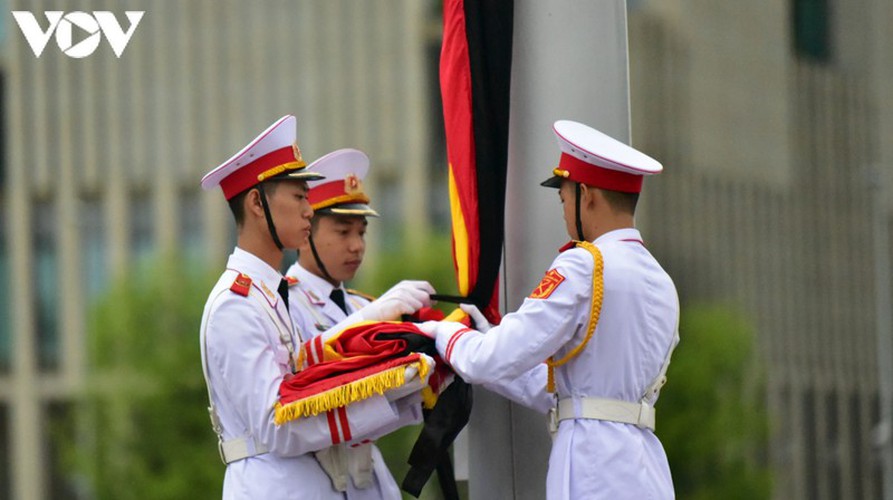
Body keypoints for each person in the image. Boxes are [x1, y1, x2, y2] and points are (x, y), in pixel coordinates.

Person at [419, 120, 681, 499]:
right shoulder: (662, 282)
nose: (563, 213)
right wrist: (488, 337)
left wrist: (443, 333)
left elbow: (485, 362)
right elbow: (561, 389)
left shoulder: (583, 266)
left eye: (564, 199)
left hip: (593, 468)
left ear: (586, 195)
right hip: (646, 469)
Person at [198, 116, 434, 499]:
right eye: (299, 196)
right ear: (257, 202)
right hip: (271, 485)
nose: (309, 210)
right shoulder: (235, 305)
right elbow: (277, 422)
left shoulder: (264, 294)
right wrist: (383, 393)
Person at [283, 148, 436, 498]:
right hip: (314, 477)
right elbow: (296, 381)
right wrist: (368, 320)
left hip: (368, 478)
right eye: (343, 231)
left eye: (362, 233)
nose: (356, 246)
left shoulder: (360, 304)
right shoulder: (284, 303)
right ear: (306, 233)